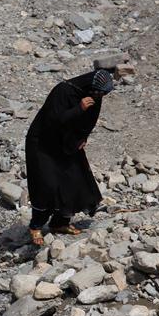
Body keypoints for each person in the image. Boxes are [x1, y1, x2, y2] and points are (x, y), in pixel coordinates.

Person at [24, 69, 113, 246]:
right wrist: (78, 109)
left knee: (74, 181)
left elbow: (91, 118)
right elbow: (52, 121)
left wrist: (83, 137)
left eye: (103, 94)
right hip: (43, 142)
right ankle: (35, 226)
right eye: (98, 92)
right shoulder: (63, 91)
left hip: (67, 142)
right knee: (47, 184)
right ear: (89, 85)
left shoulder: (94, 95)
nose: (99, 96)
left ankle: (59, 223)